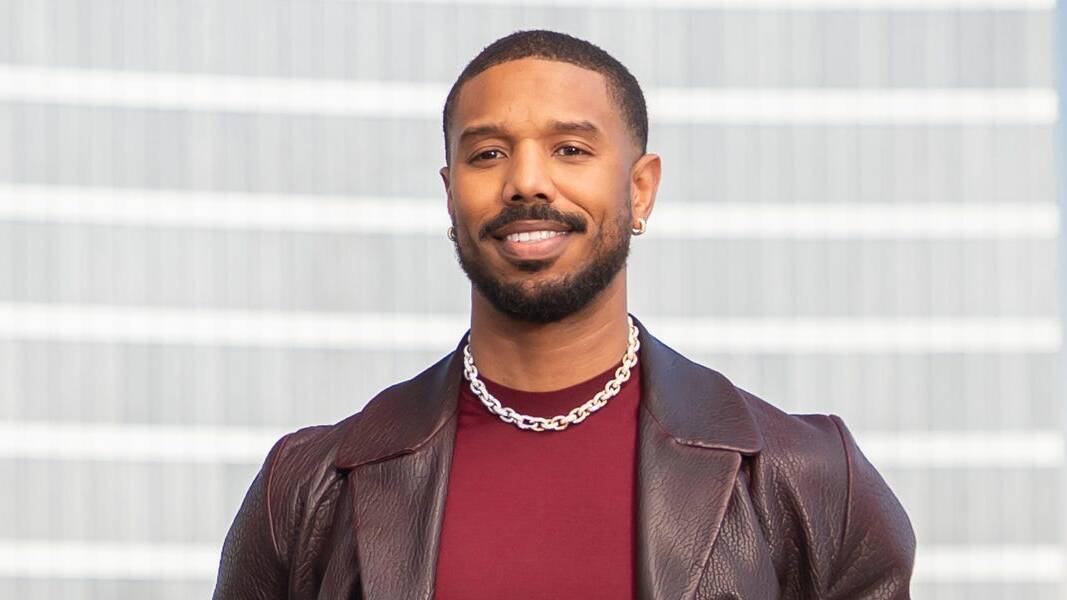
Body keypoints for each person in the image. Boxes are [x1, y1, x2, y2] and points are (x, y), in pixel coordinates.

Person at [213, 29, 915, 599]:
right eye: (488, 153)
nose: (526, 181)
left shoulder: (807, 477)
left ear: (641, 190)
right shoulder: (307, 488)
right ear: (450, 195)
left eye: (570, 150)